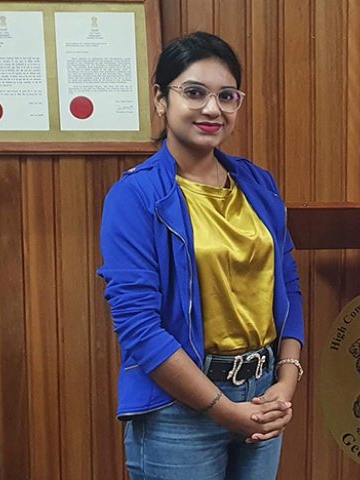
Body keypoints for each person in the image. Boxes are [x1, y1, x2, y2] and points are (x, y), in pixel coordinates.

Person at [98, 32, 304, 480]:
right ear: (160, 98)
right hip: (178, 409)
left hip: (262, 394)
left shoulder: (258, 185)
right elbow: (138, 326)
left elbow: (287, 287)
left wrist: (284, 383)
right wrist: (223, 409)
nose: (213, 109)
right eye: (194, 93)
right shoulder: (134, 196)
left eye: (227, 96)